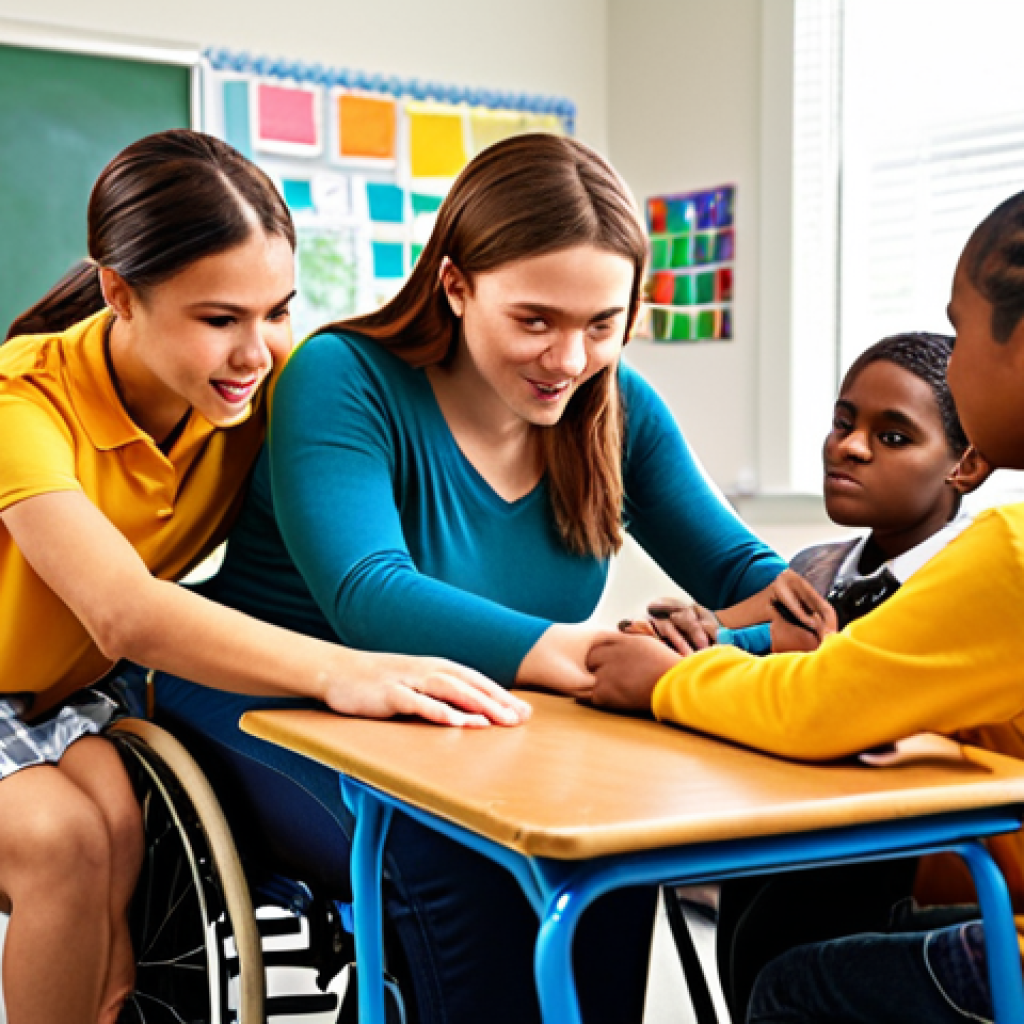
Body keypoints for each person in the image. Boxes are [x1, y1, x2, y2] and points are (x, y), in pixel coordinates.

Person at [153, 132, 827, 1024]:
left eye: (602, 324)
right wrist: (588, 657)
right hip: (265, 696)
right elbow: (370, 595)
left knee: (612, 836)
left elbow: (753, 576)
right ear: (457, 284)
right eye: (536, 320)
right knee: (454, 852)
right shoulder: (340, 376)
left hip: (469, 723)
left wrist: (733, 628)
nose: (570, 360)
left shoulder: (617, 408)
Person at [0, 130, 525, 1024]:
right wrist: (348, 671)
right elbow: (122, 611)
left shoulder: (253, 396)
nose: (257, 351)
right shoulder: (24, 403)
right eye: (219, 319)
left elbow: (384, 435)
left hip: (58, 695)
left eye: (277, 311)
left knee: (120, 829)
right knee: (58, 842)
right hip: (33, 680)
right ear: (119, 293)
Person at [587, 190, 1024, 1023]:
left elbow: (817, 703)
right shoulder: (821, 566)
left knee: (792, 984)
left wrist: (662, 682)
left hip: (964, 887)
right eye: (842, 423)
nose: (851, 447)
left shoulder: (1006, 552)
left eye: (963, 333)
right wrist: (717, 639)